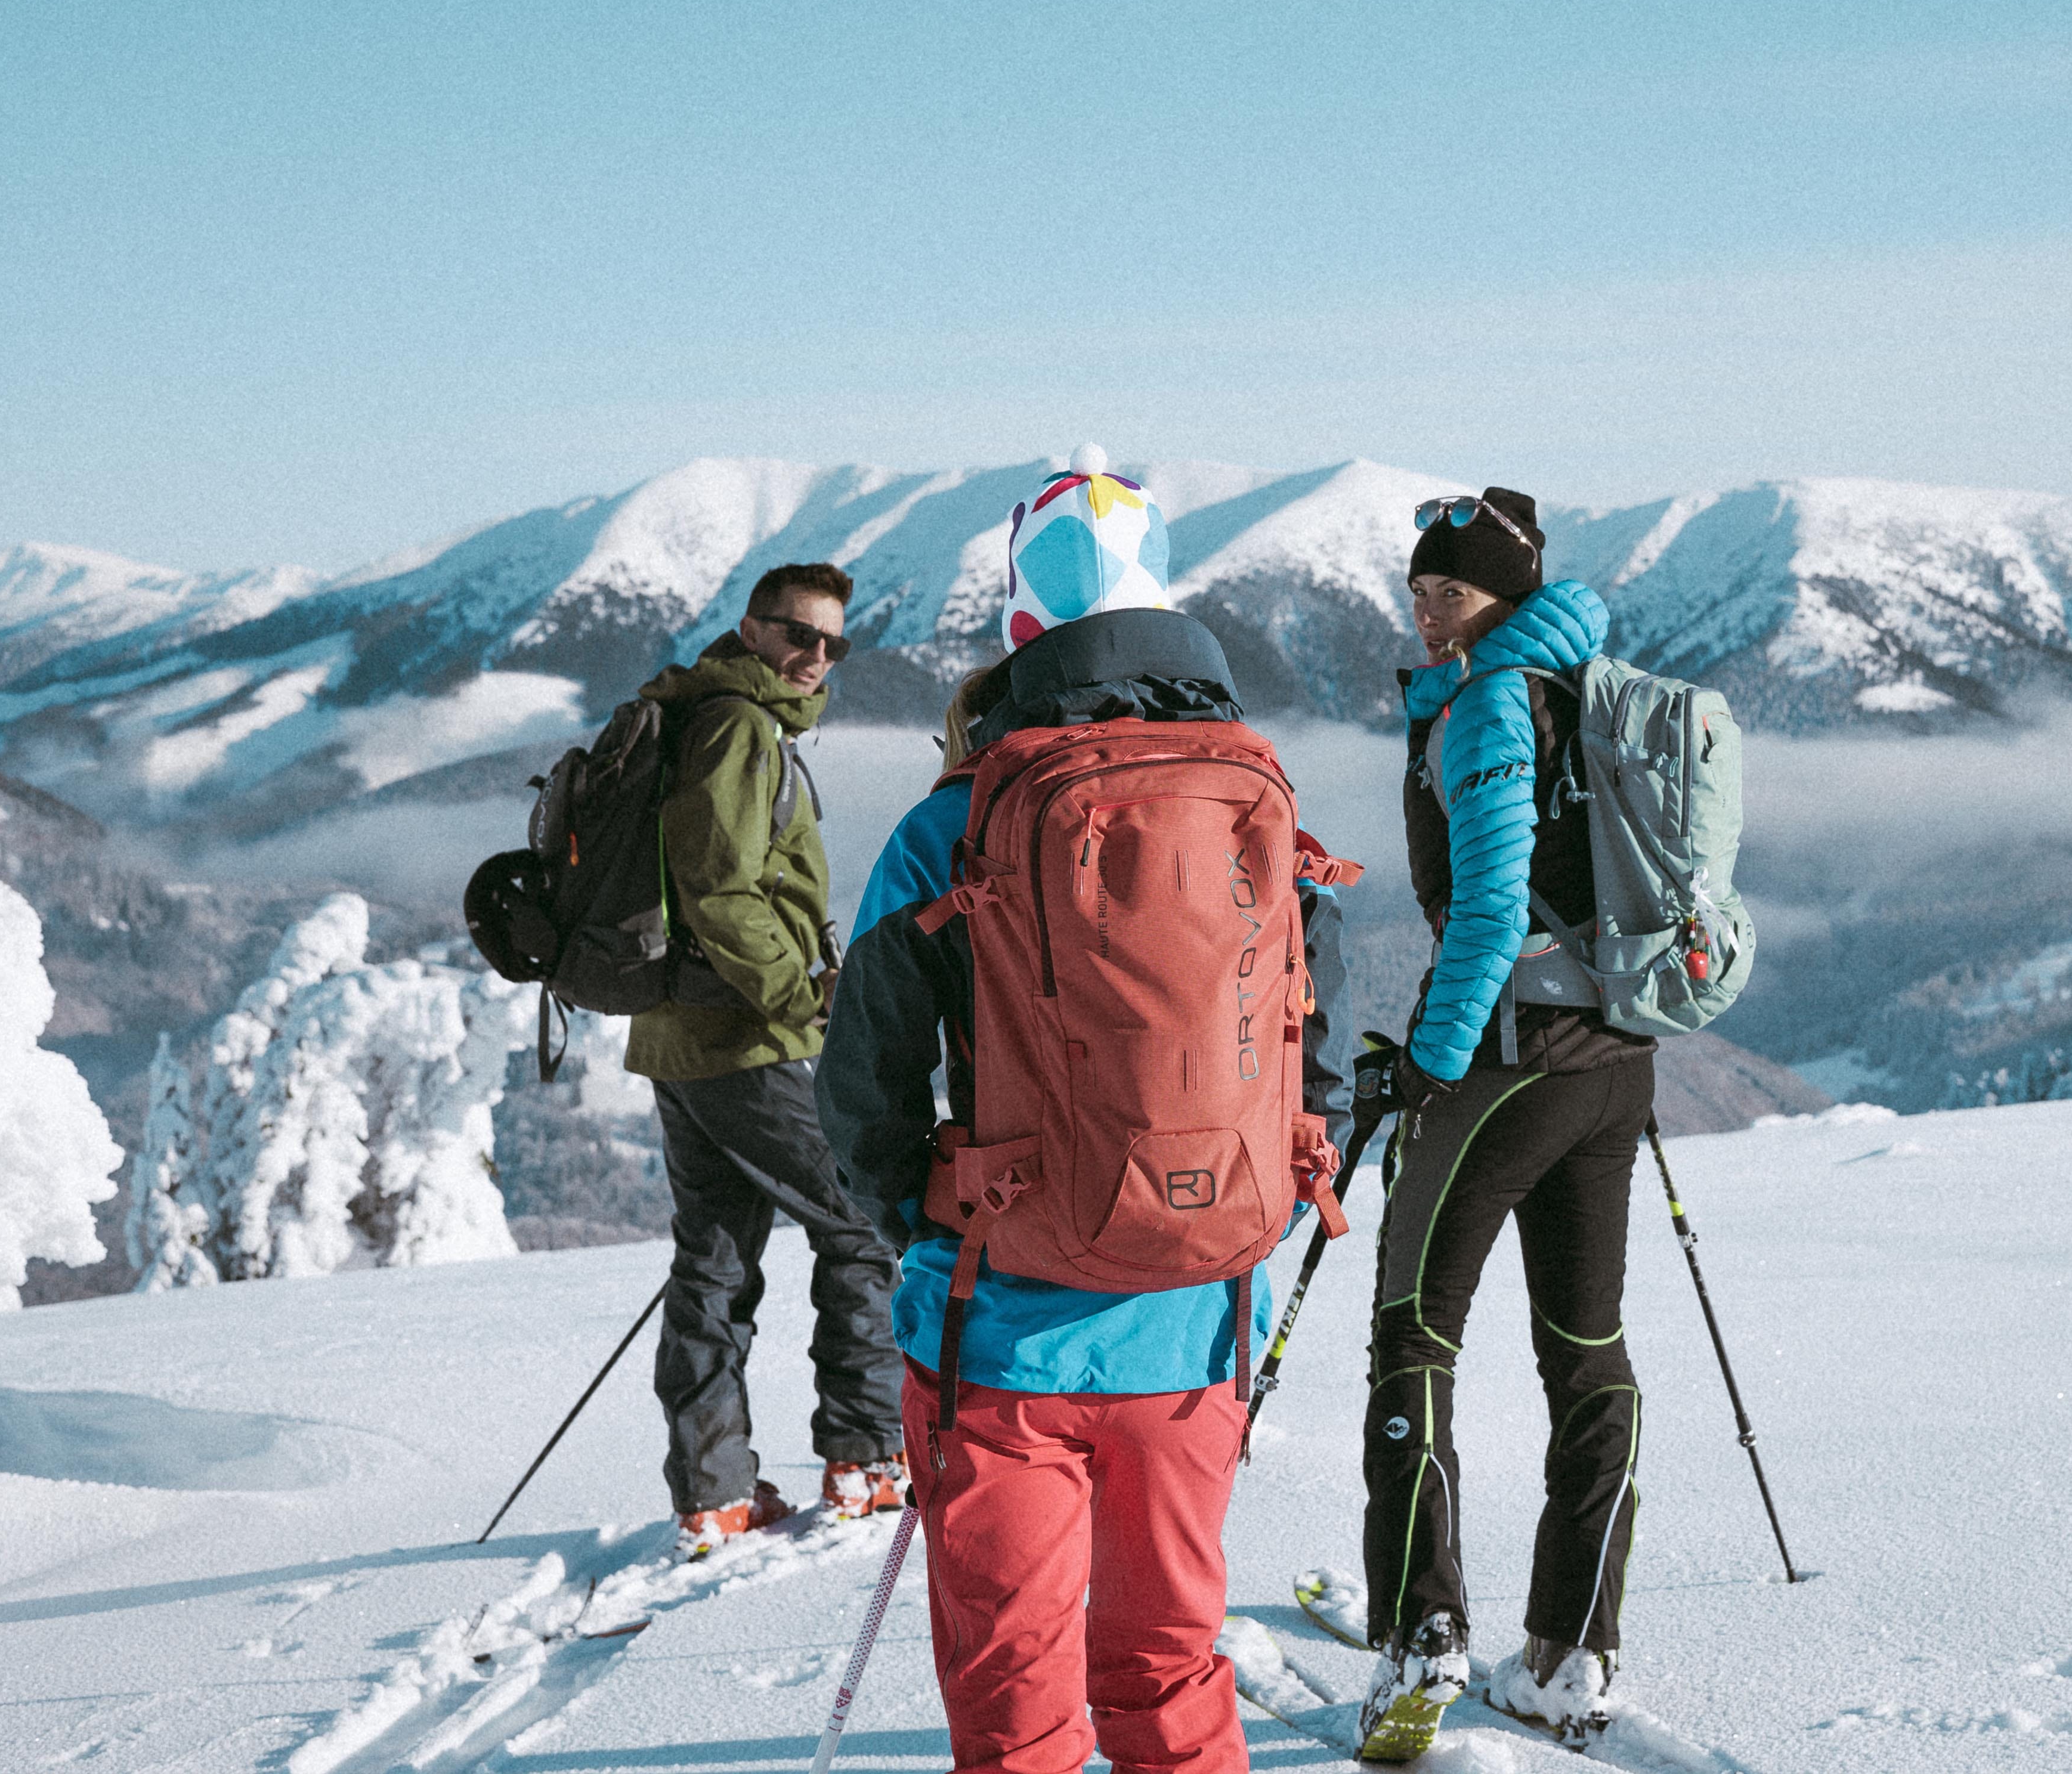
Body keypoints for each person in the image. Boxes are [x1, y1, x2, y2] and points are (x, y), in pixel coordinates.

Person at [816, 450, 1353, 1774]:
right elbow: (1310, 1051)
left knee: (1016, 1692)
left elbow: (863, 1081)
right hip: (1194, 1326)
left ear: (1015, 634)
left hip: (996, 1326)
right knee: (1170, 1663)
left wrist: (928, 1215)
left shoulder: (954, 828)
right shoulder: (1254, 814)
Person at [1354, 487, 1652, 1759]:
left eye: (1451, 594)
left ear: (1506, 597)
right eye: (1418, 592)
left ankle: (1421, 1639)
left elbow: (1486, 910)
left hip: (1508, 1058)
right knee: (1586, 1346)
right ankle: (1569, 1653)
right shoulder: (1592, 684)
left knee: (1412, 1333)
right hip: (1616, 1058)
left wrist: (1427, 1062)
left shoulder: (1490, 703)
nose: (1428, 614)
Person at [626, 560, 909, 1551]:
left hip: (680, 1034)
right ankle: (866, 1453)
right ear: (750, 628)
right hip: (746, 1036)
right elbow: (720, 886)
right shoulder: (740, 728)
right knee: (861, 1224)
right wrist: (800, 996)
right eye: (795, 634)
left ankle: (717, 1490)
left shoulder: (713, 713)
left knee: (711, 1257)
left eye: (831, 643)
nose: (812, 658)